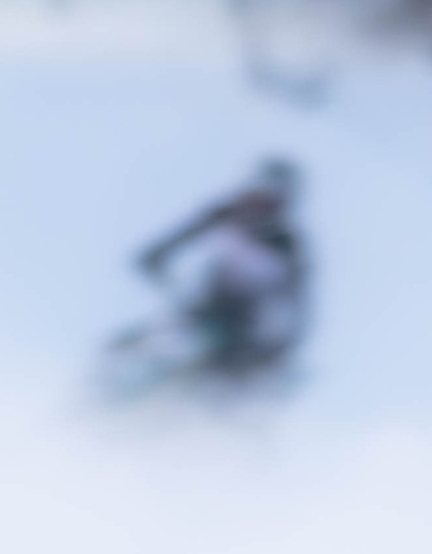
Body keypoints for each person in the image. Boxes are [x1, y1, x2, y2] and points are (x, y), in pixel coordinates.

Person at [122, 156, 308, 385]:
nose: (259, 209)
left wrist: (280, 346)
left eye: (270, 204)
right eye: (257, 198)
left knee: (217, 370)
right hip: (204, 304)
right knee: (149, 341)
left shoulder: (286, 247)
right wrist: (155, 257)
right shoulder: (225, 215)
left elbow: (297, 305)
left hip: (245, 324)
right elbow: (175, 239)